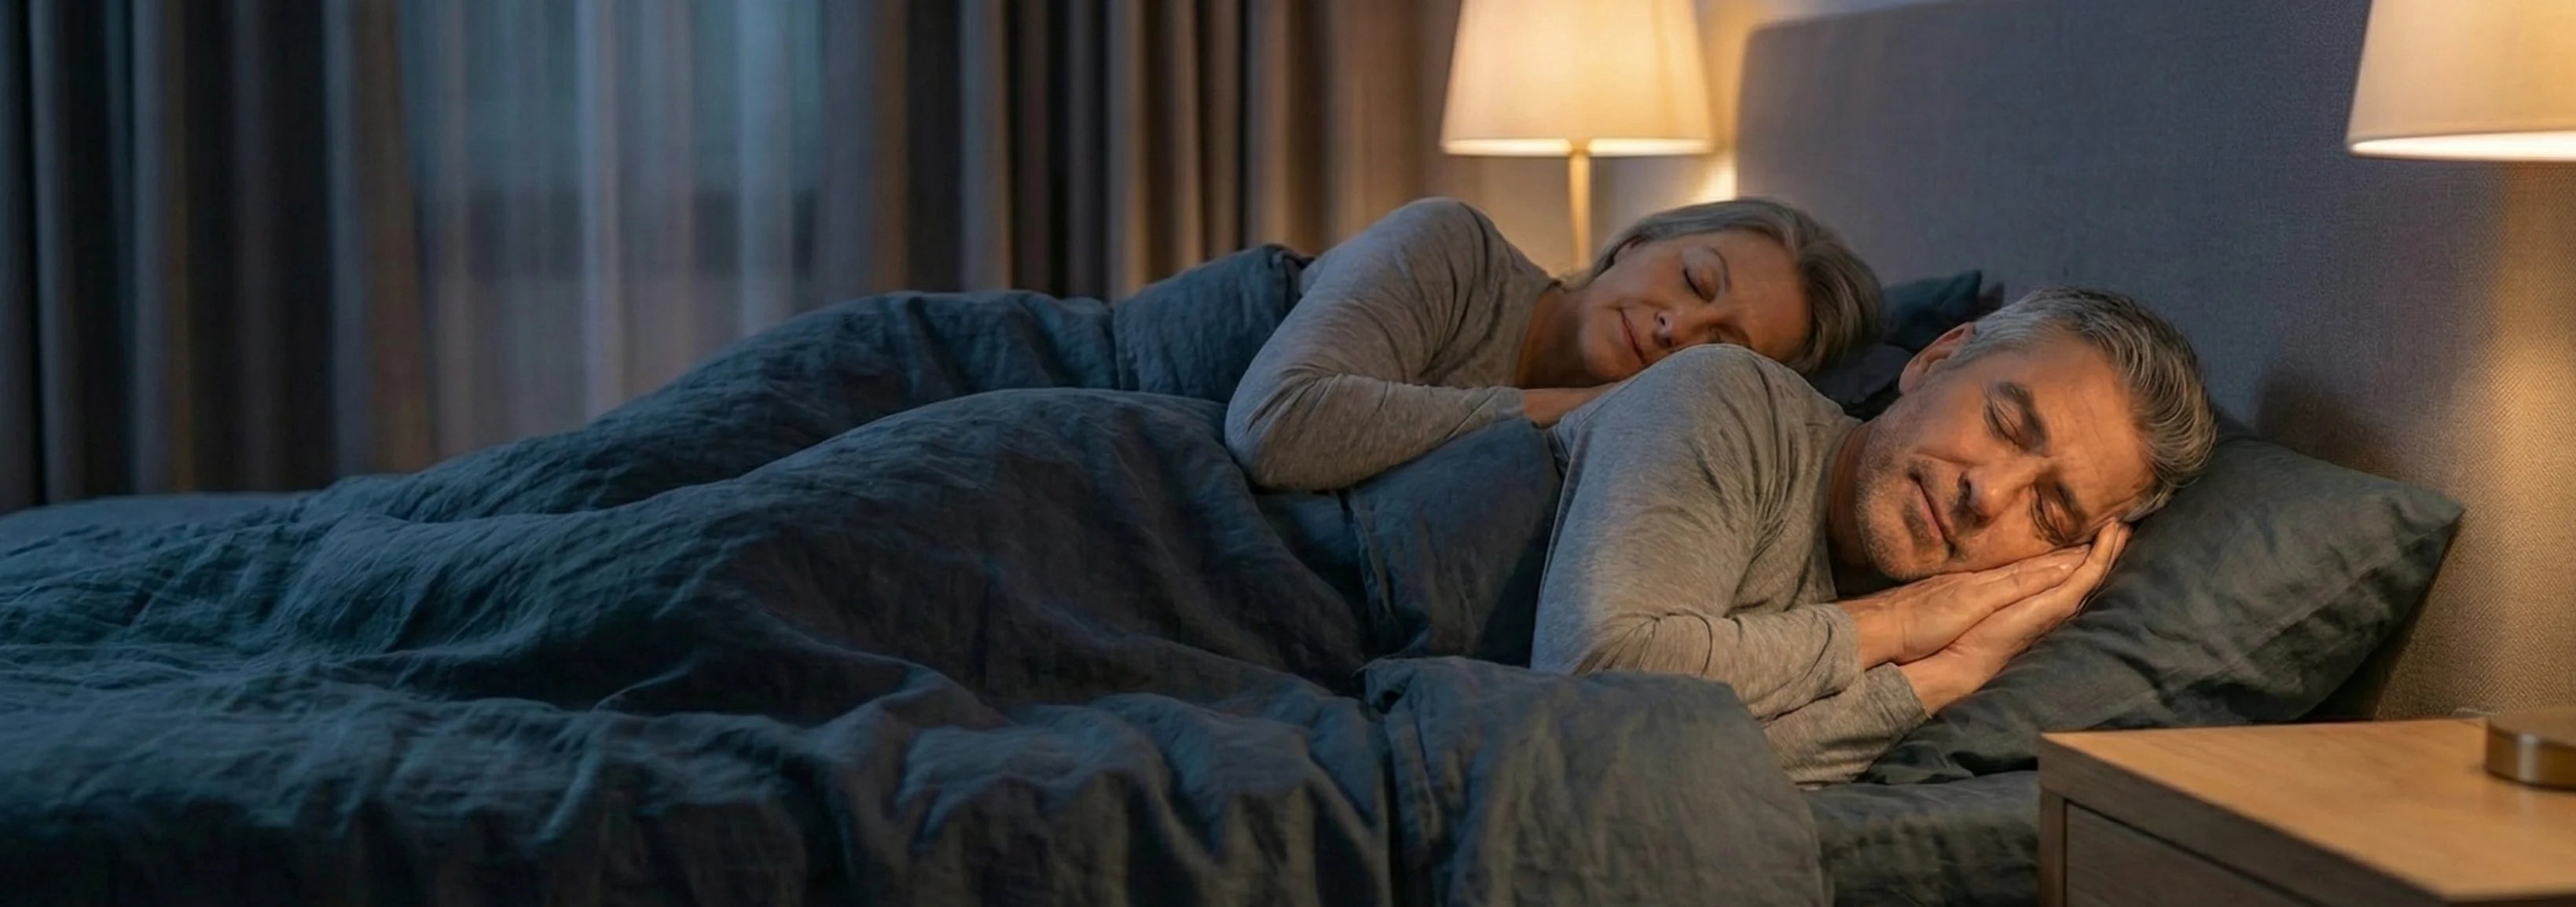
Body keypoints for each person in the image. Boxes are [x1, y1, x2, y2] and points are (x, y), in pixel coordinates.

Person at [1532, 287, 2218, 786]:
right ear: (1937, 358)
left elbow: (1654, 781)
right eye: (2006, 424)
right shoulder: (1722, 398)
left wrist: (1943, 680)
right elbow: (1592, 693)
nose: (1990, 494)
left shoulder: (1954, 658)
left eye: (2050, 513)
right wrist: (1900, 624)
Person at [1225, 196, 1883, 490]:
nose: (1675, 327)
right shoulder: (1449, 246)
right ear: (1634, 244)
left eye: (1718, 343)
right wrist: (1577, 402)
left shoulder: (1624, 460)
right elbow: (1277, 427)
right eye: (1693, 279)